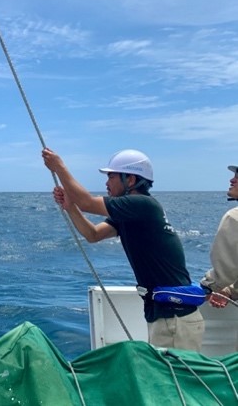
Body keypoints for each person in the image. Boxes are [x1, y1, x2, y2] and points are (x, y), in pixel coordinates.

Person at [42, 148, 204, 351]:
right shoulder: (132, 213)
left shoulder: (142, 204)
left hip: (174, 319)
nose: (106, 182)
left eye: (111, 176)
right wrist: (70, 207)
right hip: (167, 317)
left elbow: (86, 202)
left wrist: (59, 167)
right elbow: (93, 234)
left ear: (131, 180)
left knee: (176, 381)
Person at [200, 164, 238, 312]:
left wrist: (225, 291)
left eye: (237, 176)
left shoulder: (234, 217)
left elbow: (225, 274)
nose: (232, 180)